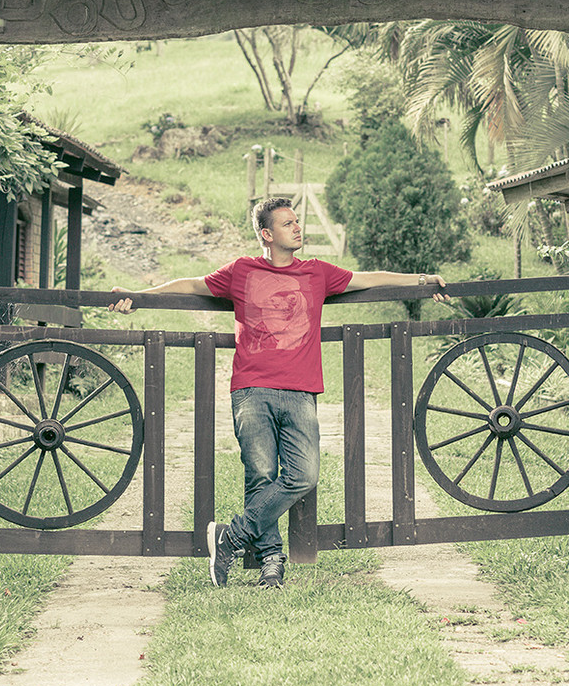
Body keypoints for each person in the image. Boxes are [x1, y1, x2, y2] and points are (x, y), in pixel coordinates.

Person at [111, 197, 447, 589]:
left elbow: (368, 278)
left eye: (297, 221)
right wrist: (141, 294)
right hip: (252, 389)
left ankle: (230, 538)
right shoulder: (241, 271)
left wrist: (422, 281)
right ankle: (271, 561)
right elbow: (192, 284)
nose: (298, 228)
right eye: (288, 224)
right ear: (267, 235)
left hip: (300, 391)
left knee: (303, 475)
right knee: (261, 475)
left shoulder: (317, 273)